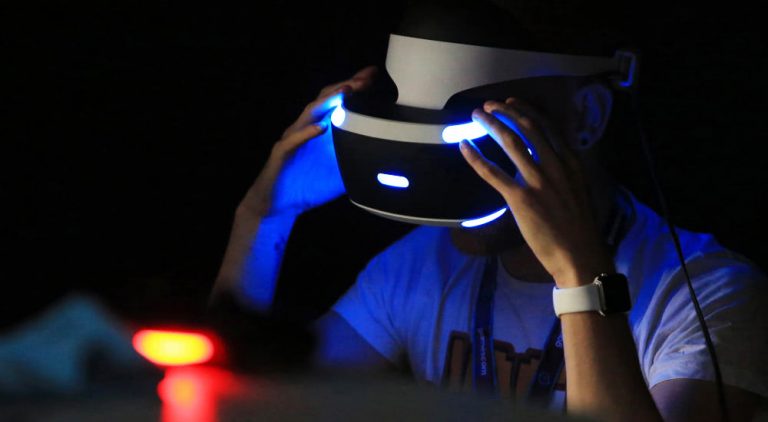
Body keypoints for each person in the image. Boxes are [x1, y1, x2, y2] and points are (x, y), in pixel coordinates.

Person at [209, 8, 768, 422]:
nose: (451, 180)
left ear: (585, 117)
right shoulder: (422, 266)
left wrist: (578, 275)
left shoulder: (710, 294)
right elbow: (244, 403)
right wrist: (264, 217)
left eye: (469, 141)